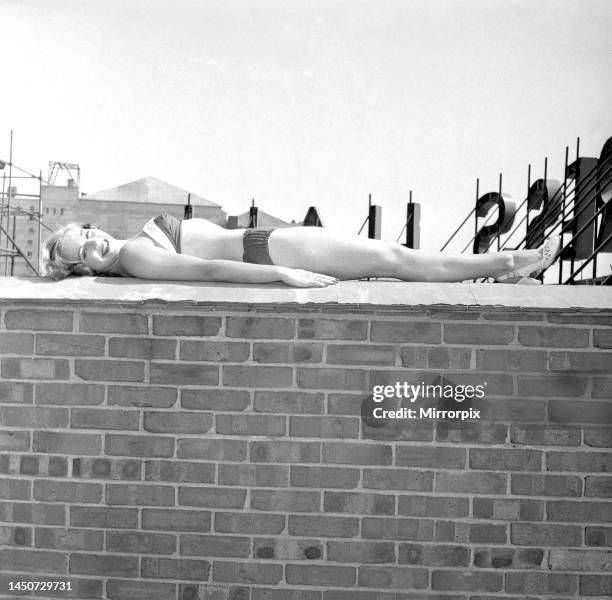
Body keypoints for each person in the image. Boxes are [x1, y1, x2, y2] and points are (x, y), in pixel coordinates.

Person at [41, 213, 560, 287]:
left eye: (86, 233)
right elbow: (206, 269)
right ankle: (510, 261)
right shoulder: (134, 257)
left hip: (269, 244)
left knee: (394, 258)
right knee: (396, 260)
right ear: (80, 267)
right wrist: (282, 276)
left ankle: (505, 267)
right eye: (82, 251)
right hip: (272, 251)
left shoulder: (129, 246)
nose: (93, 242)